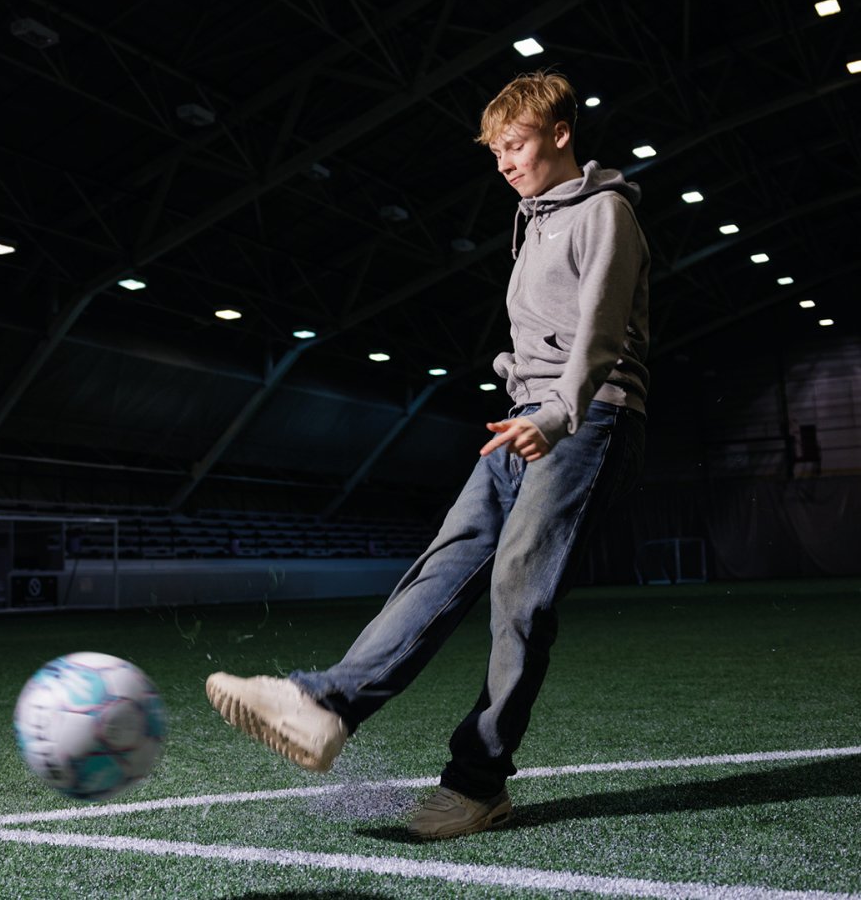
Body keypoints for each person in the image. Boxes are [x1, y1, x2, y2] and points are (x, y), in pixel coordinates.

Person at [206, 70, 650, 840]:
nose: (505, 162)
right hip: (523, 419)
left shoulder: (605, 211)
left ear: (560, 133)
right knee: (445, 565)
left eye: (515, 145)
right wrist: (525, 400)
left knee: (520, 594)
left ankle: (478, 785)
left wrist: (556, 414)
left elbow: (601, 332)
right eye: (496, 152)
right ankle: (324, 708)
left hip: (585, 420)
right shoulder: (532, 219)